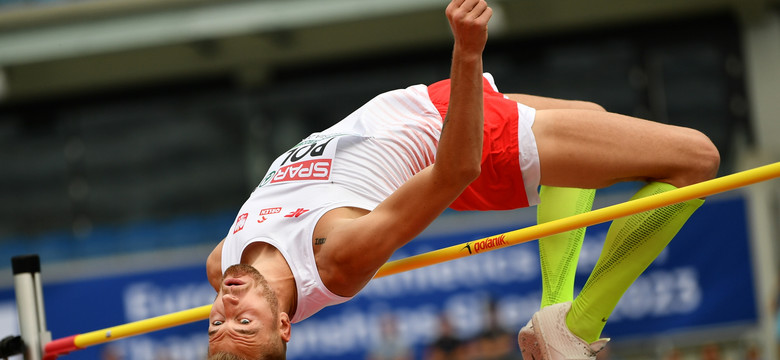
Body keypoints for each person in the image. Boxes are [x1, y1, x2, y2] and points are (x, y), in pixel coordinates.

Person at [204, 0, 720, 359]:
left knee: (593, 116)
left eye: (215, 326)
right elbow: (456, 169)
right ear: (285, 326)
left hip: (420, 105)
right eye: (243, 322)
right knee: (697, 160)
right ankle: (576, 324)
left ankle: (555, 318)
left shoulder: (221, 265)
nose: (227, 307)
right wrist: (468, 52)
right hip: (463, 140)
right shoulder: (336, 259)